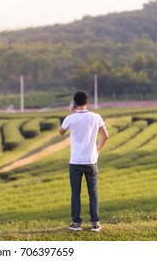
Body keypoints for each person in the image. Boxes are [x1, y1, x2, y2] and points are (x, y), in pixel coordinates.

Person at [58, 91, 109, 232]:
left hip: (75, 162)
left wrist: (70, 114)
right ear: (88, 103)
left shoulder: (70, 118)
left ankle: (76, 224)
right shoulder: (96, 117)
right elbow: (106, 136)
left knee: (76, 194)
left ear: (75, 103)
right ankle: (95, 223)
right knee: (93, 192)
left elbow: (61, 132)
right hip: (91, 161)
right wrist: (97, 149)